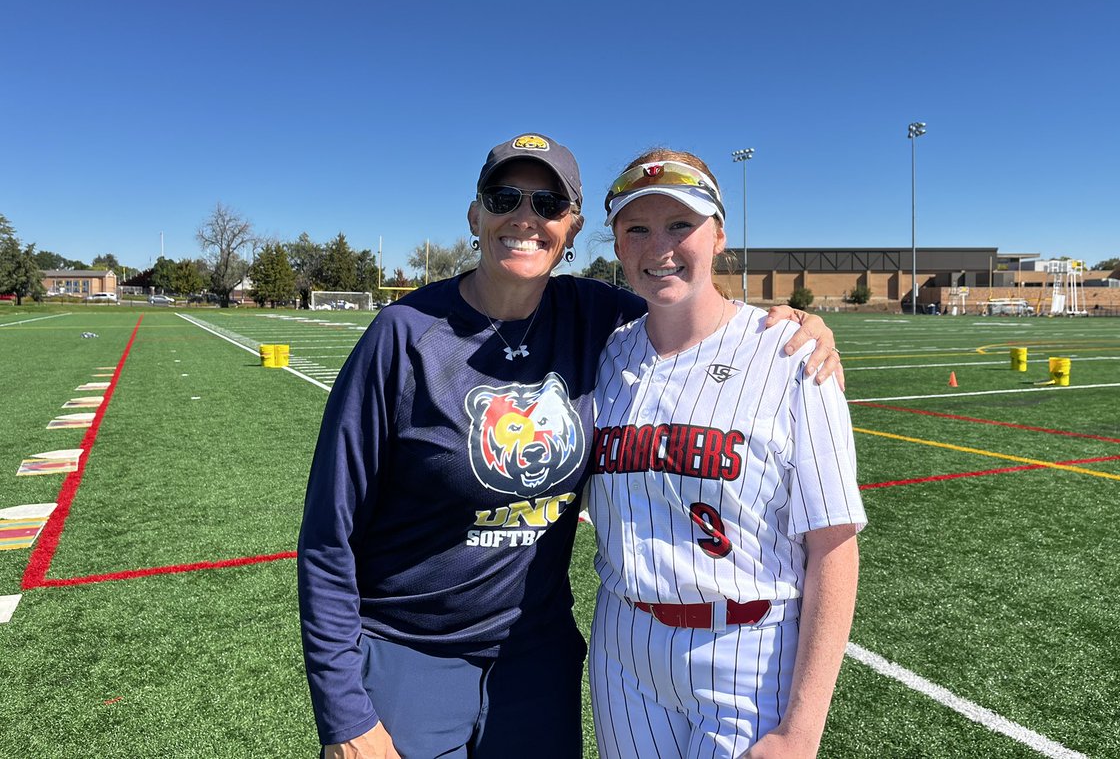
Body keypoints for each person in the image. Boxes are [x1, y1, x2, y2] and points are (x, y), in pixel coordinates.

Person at [296, 133, 843, 759]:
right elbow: (327, 535)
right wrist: (343, 713)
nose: (525, 218)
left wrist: (799, 324)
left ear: (573, 227)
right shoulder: (403, 336)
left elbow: (693, 300)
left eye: (548, 204)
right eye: (504, 197)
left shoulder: (595, 316)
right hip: (410, 649)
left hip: (535, 656)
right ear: (475, 214)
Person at [587, 149, 866, 759]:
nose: (659, 246)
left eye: (680, 225)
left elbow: (835, 548)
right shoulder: (601, 359)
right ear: (615, 244)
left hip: (751, 649)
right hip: (622, 647)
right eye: (637, 228)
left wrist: (801, 730)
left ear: (719, 235)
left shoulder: (792, 354)